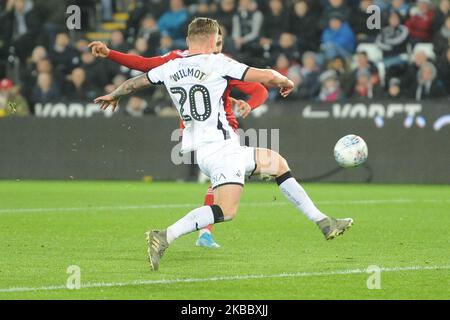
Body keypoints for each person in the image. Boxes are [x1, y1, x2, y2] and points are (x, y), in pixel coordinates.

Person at [94, 17, 353, 271]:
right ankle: (163, 236)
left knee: (277, 164)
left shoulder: (171, 66)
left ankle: (323, 222)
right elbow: (264, 77)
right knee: (226, 211)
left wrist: (114, 95)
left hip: (209, 148)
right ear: (213, 39)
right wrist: (285, 80)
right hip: (220, 149)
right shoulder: (218, 63)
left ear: (188, 40)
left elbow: (133, 83)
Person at [89, 27, 269, 249]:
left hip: (223, 129)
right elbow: (145, 65)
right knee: (222, 183)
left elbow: (260, 90)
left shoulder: (225, 64)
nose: (216, 49)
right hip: (200, 132)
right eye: (215, 43)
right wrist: (110, 53)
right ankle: (199, 232)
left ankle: (203, 232)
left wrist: (247, 105)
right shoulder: (178, 60)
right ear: (202, 41)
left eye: (220, 45)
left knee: (218, 181)